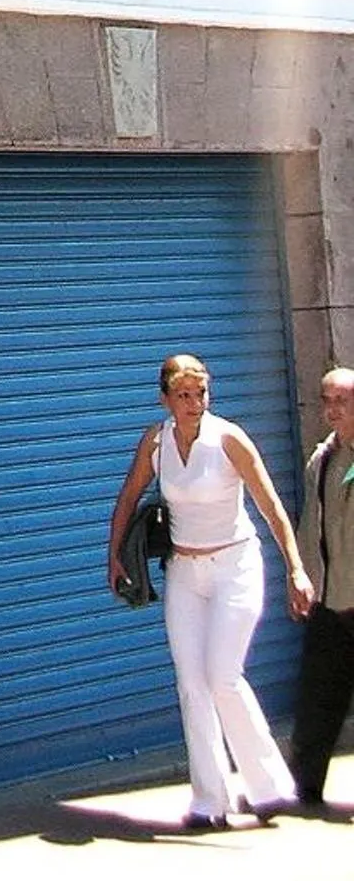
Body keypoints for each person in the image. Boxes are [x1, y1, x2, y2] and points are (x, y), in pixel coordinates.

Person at [107, 352, 314, 829]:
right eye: (183, 395)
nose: (195, 403)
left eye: (201, 393)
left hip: (235, 565)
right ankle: (209, 800)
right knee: (192, 684)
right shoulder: (155, 442)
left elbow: (271, 507)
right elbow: (129, 495)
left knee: (222, 676)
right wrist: (114, 553)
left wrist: (296, 569)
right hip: (185, 570)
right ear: (165, 399)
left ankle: (267, 788)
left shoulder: (229, 440)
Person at [290, 365, 354, 811]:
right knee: (317, 698)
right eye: (327, 401)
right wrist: (301, 578)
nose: (332, 410)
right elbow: (310, 526)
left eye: (342, 401)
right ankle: (305, 787)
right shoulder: (324, 458)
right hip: (331, 601)